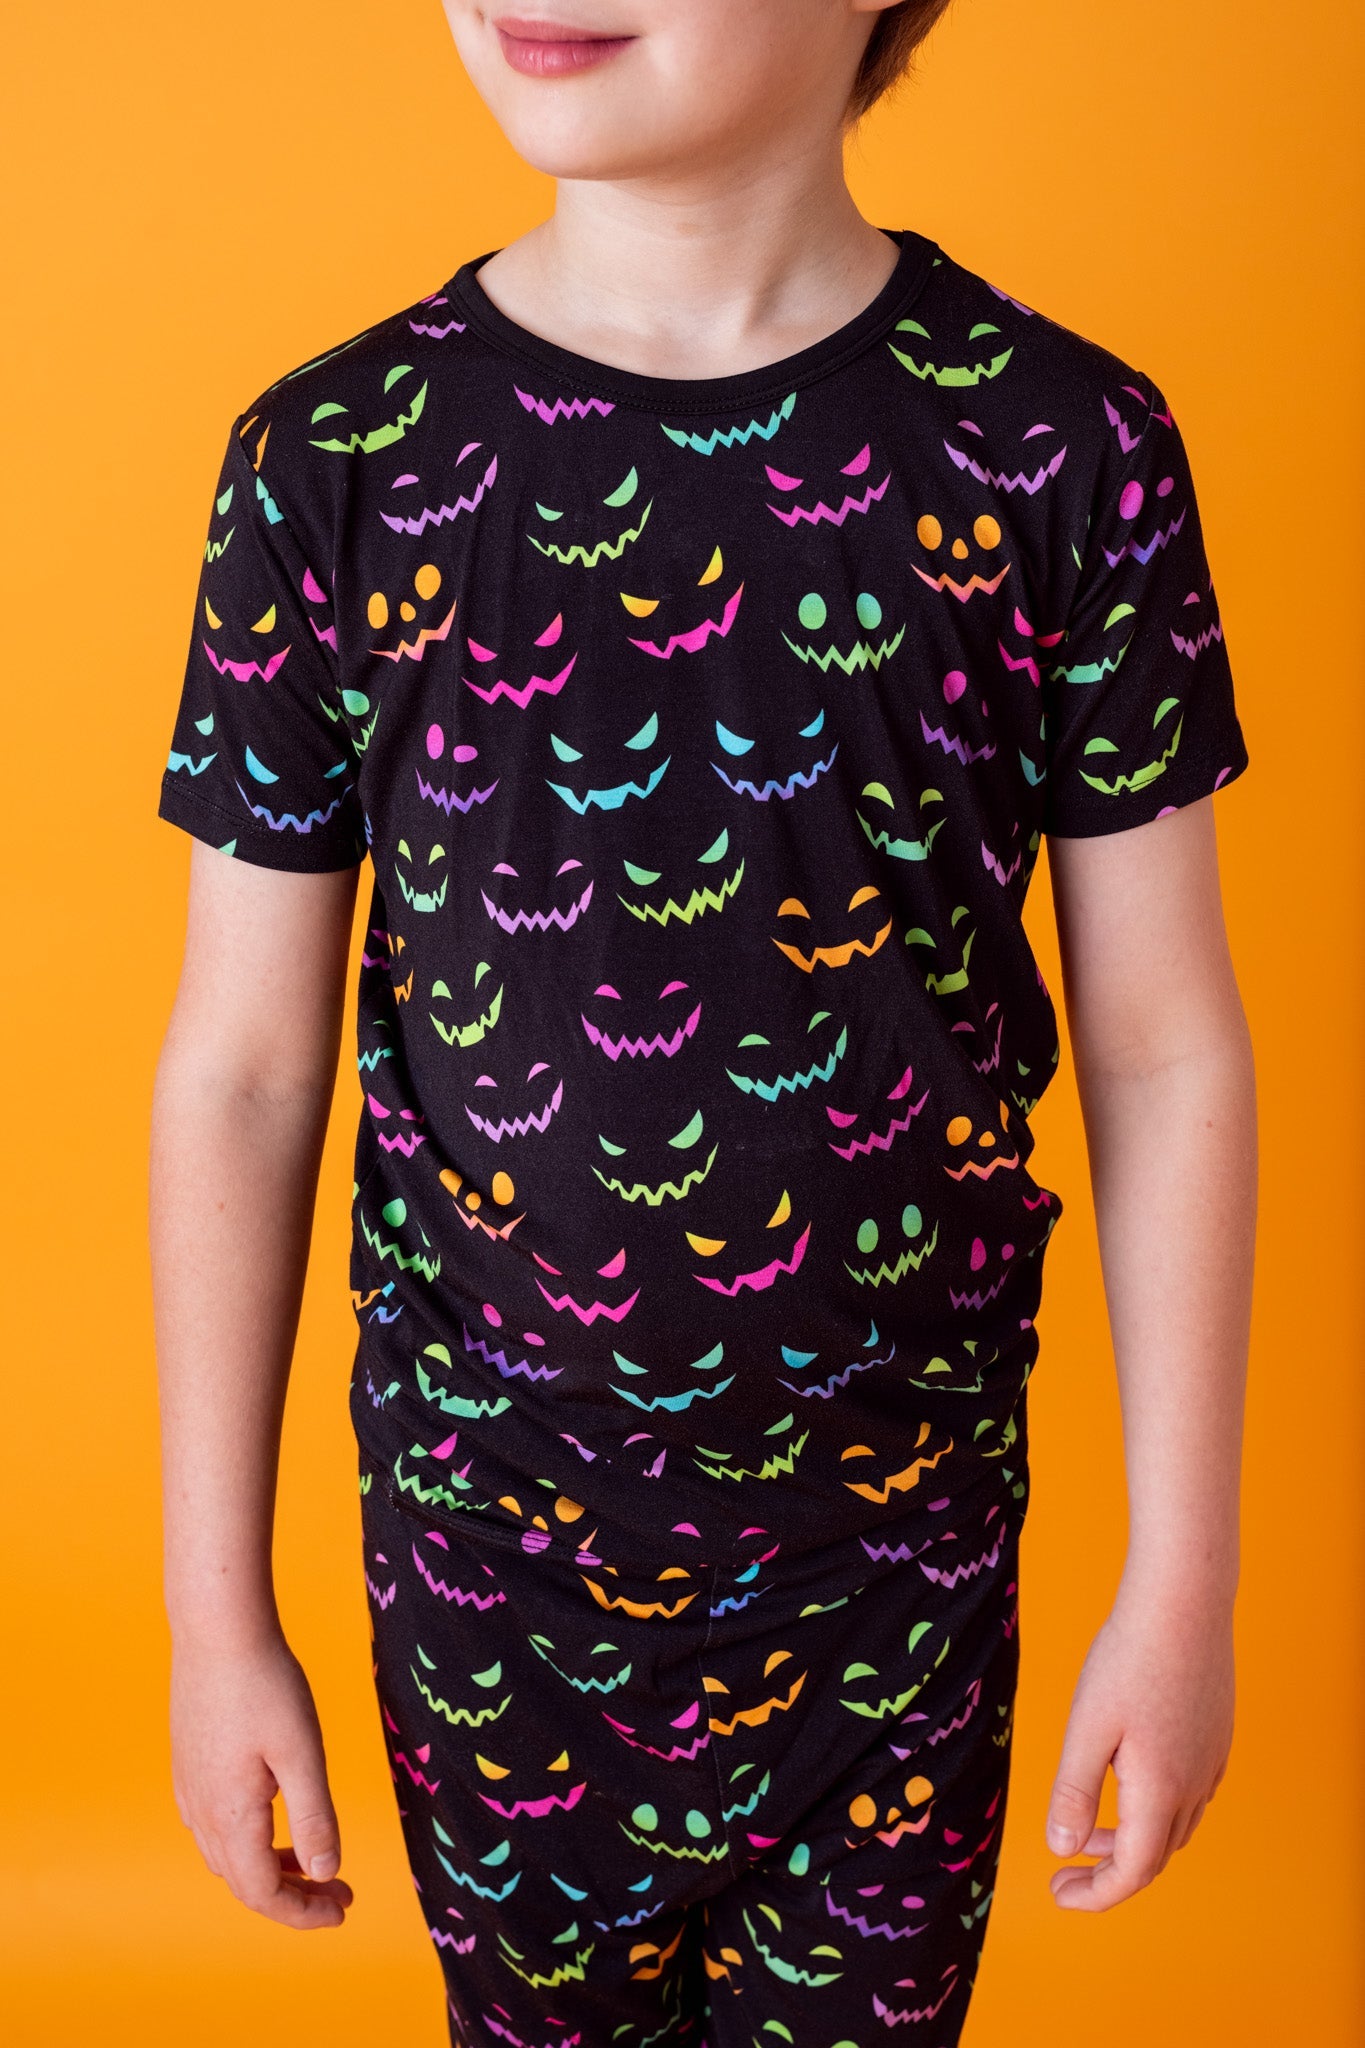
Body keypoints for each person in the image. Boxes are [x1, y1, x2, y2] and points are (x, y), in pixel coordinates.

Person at [149, 3, 1257, 2041]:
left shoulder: (1057, 448)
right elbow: (240, 1073)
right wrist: (215, 1618)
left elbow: (1162, 1048)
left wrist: (1180, 1584)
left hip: (897, 1567)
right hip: (496, 1569)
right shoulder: (336, 463)